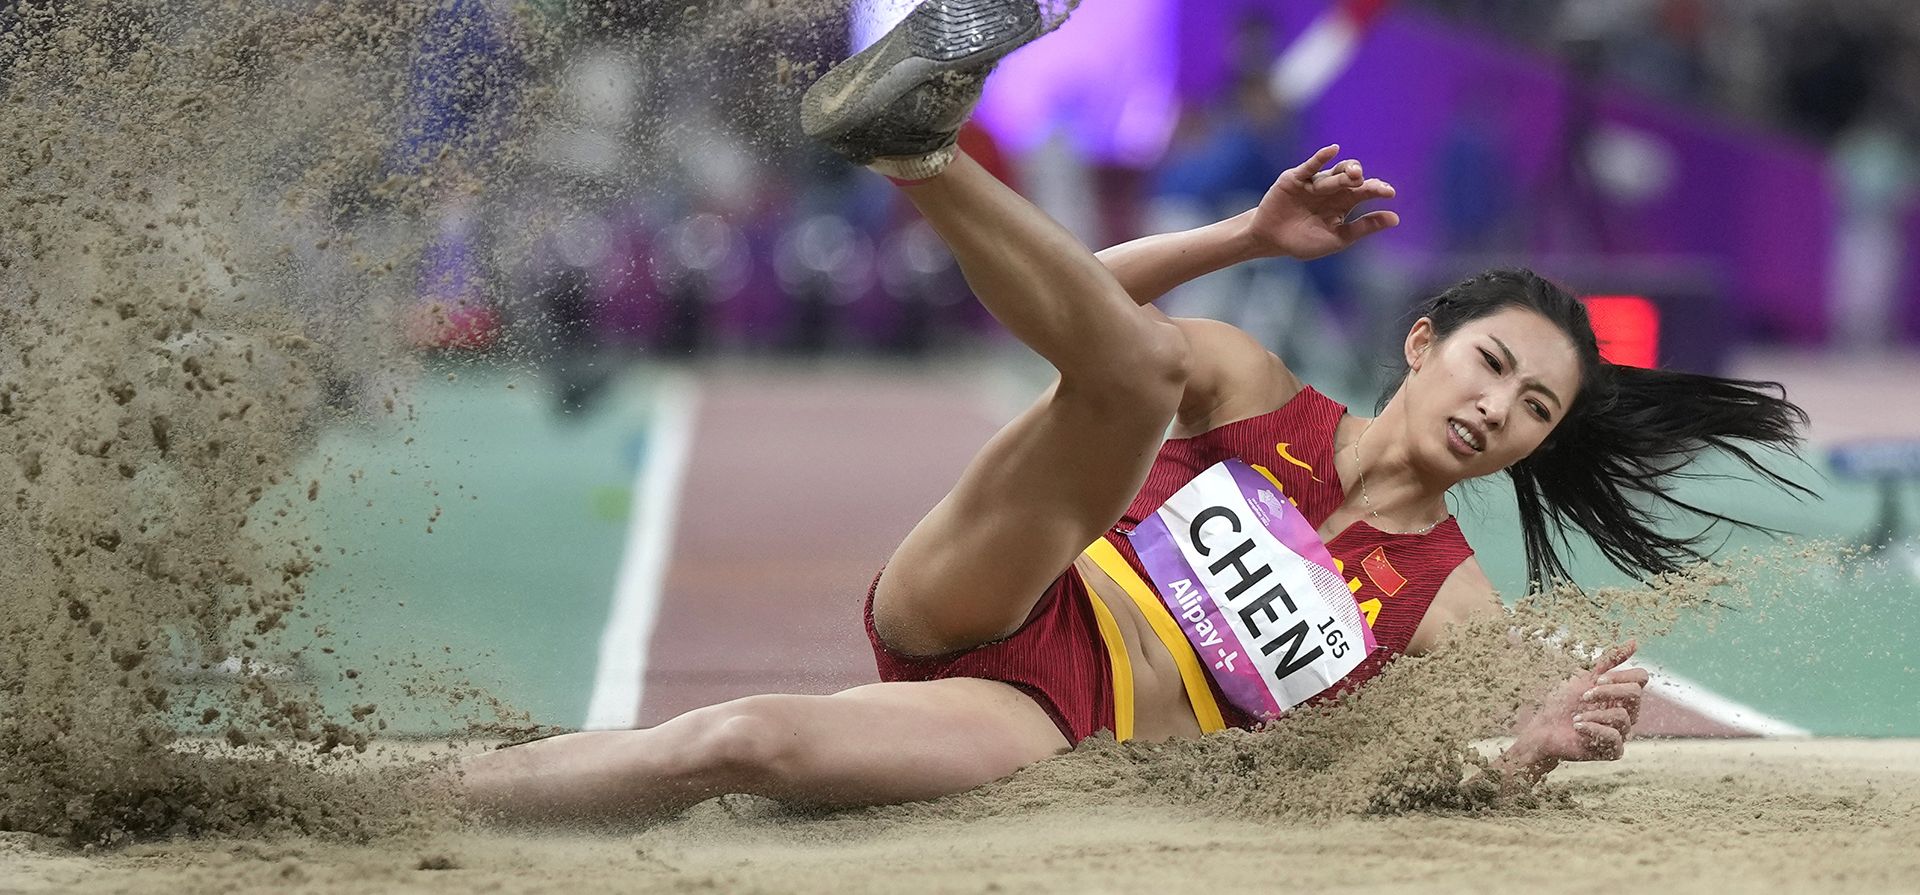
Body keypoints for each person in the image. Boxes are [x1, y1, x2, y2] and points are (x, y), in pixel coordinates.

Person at [459, 0, 1808, 824]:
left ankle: (450, 804)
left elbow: (1407, 783)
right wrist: (1247, 237)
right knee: (1140, 367)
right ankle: (917, 150)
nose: (1499, 405)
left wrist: (1526, 750)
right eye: (1492, 364)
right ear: (1422, 343)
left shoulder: (1450, 607)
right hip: (1009, 588)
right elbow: (1083, 315)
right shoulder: (1255, 391)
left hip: (1054, 727)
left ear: (1530, 447)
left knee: (741, 740)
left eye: (1532, 409)